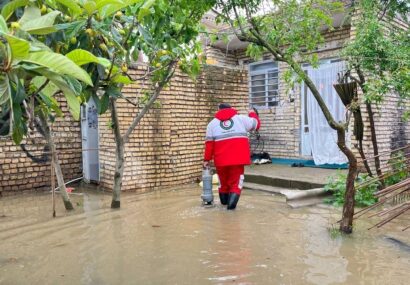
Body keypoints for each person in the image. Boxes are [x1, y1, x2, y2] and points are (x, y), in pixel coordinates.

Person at [203, 103, 260, 210]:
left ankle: (223, 207)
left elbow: (209, 144)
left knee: (223, 183)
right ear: (231, 109)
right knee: (235, 184)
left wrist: (206, 160)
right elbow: (256, 124)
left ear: (218, 109)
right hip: (238, 159)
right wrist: (252, 113)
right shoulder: (241, 119)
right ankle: (230, 211)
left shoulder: (211, 124)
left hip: (221, 160)